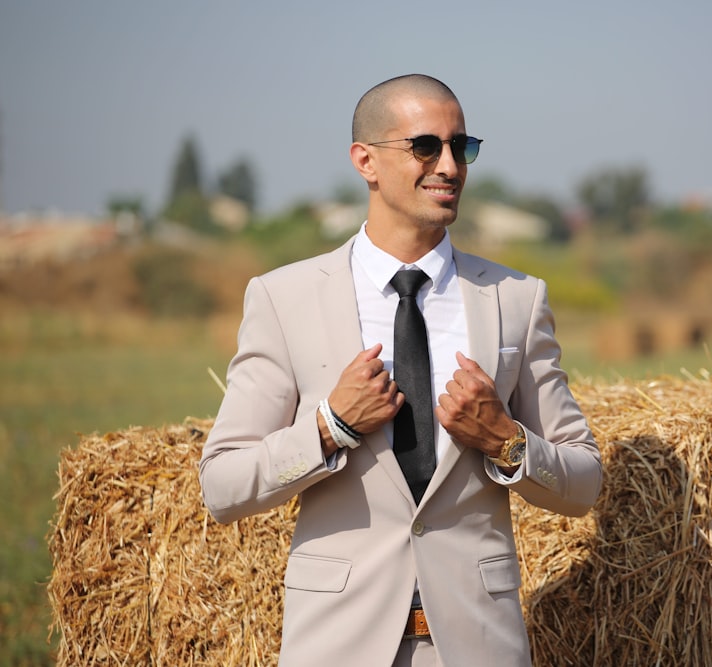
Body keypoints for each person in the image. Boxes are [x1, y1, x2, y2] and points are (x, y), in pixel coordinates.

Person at [199, 73, 602, 667]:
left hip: (476, 643)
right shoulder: (283, 298)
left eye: (461, 146)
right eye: (425, 146)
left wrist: (506, 441)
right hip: (337, 642)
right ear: (366, 160)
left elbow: (584, 482)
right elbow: (223, 485)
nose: (449, 165)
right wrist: (329, 427)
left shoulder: (515, 298)